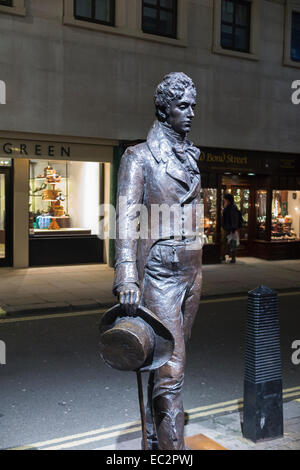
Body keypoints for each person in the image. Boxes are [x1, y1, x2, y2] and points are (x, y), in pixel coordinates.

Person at [113, 72, 203, 450]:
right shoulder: (139, 156)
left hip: (193, 270)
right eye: (183, 106)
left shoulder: (192, 155)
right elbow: (125, 218)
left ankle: (154, 437)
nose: (191, 113)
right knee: (172, 369)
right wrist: (127, 276)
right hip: (161, 271)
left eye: (193, 105)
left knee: (168, 361)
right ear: (164, 109)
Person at [221, 193, 243, 264]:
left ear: (227, 200)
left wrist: (233, 229)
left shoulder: (231, 207)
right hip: (229, 228)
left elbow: (233, 218)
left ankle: (231, 258)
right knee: (229, 242)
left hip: (229, 228)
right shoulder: (232, 207)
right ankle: (226, 256)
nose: (224, 201)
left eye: (224, 200)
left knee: (231, 242)